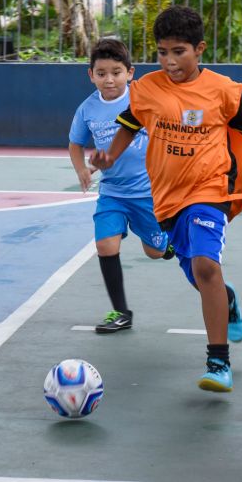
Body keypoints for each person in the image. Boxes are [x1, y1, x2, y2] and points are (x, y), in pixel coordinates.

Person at [91, 6, 242, 392]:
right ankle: (228, 300)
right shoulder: (147, 89)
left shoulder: (220, 90)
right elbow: (128, 126)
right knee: (198, 275)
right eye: (162, 52)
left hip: (210, 191)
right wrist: (109, 157)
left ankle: (218, 362)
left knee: (205, 266)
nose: (169, 61)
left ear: (199, 49)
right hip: (167, 201)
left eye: (179, 51)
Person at [68, 38, 174, 334]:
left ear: (130, 73)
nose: (109, 79)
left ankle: (166, 244)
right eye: (101, 73)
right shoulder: (87, 109)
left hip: (148, 192)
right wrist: (82, 170)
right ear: (91, 75)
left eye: (116, 72)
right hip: (112, 192)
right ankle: (121, 311)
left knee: (154, 251)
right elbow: (75, 143)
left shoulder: (143, 100)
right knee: (105, 244)